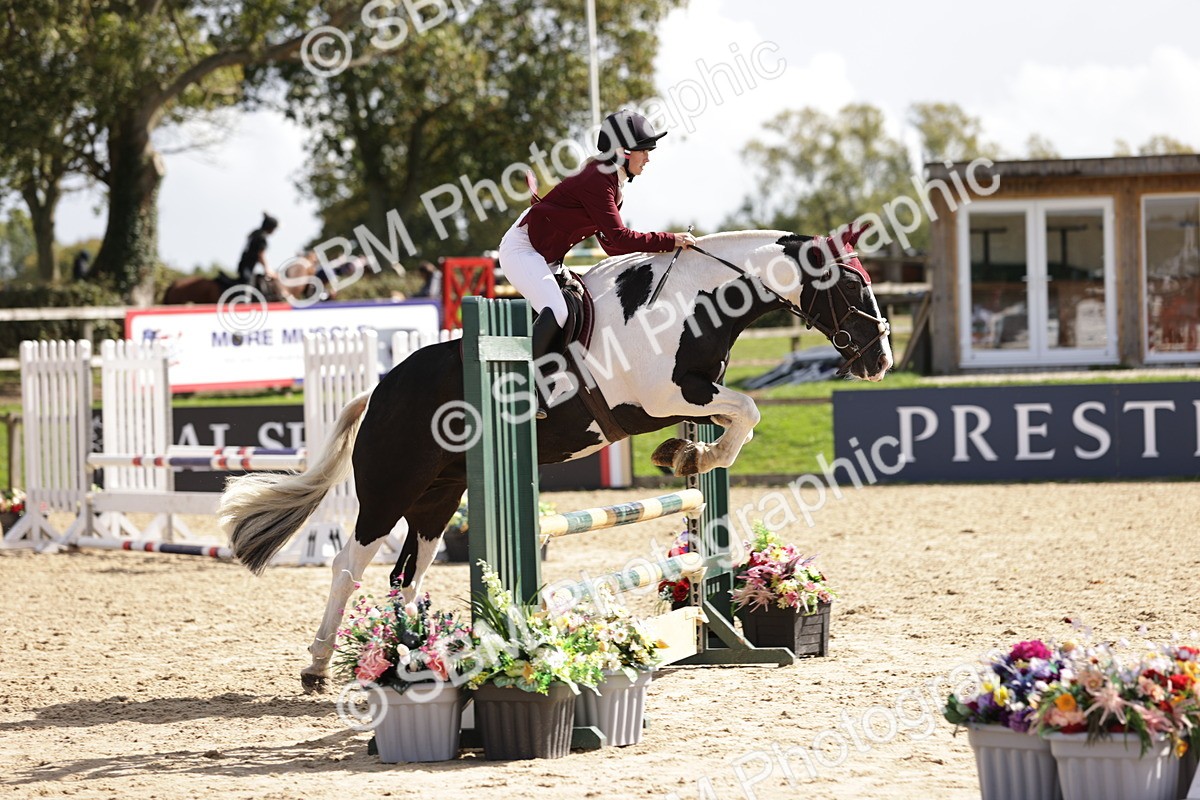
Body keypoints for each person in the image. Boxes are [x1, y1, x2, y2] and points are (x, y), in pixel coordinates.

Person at [499, 109, 695, 418]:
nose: (648, 158)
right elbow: (618, 237)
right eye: (645, 150)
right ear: (623, 151)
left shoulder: (614, 186)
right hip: (522, 250)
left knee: (583, 305)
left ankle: (555, 374)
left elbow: (609, 244)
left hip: (547, 258)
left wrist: (651, 255)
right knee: (560, 310)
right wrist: (668, 241)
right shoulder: (598, 179)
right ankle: (526, 385)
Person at [237, 213, 279, 287]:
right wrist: (267, 270)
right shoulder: (262, 238)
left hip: (243, 265)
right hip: (247, 267)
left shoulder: (255, 233)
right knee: (248, 288)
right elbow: (261, 255)